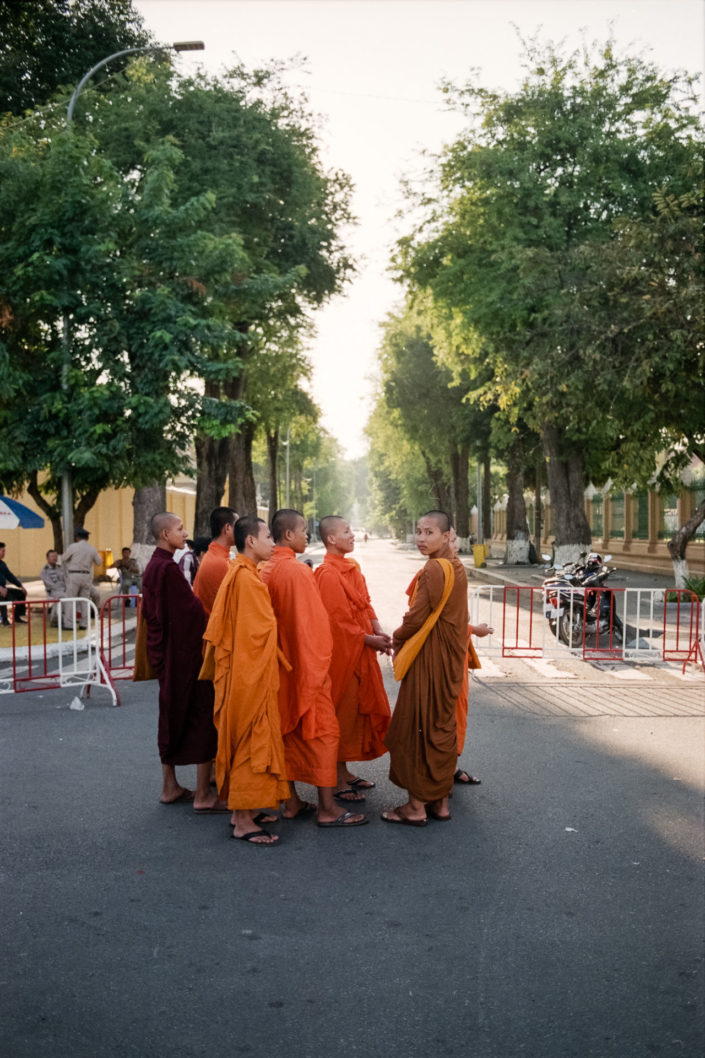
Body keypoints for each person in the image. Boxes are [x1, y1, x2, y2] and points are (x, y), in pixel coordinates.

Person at [259, 509, 367, 828]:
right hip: (304, 668)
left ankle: (292, 803)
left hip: (278, 668)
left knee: (286, 734)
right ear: (288, 536)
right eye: (304, 530)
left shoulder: (266, 569)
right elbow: (313, 628)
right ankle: (327, 808)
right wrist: (319, 671)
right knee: (324, 734)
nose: (309, 535)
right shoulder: (296, 571)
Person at [201, 515, 290, 846]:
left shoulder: (241, 572)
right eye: (268, 536)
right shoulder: (246, 580)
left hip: (246, 672)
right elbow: (259, 633)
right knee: (251, 740)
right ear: (250, 541)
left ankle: (248, 809)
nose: (273, 542)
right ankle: (241, 819)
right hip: (248, 678)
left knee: (252, 739)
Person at [382, 510, 469, 826]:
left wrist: (396, 636)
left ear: (447, 536)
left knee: (417, 727)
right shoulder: (456, 567)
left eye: (429, 532)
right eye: (418, 531)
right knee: (442, 727)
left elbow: (416, 617)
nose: (421, 538)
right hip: (449, 661)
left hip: (429, 659)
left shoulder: (433, 569)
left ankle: (416, 807)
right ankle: (440, 802)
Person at [141, 512, 225, 812]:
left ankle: (170, 786)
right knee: (202, 716)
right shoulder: (166, 569)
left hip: (167, 655)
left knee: (170, 718)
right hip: (184, 657)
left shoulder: (155, 566)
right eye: (179, 529)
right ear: (165, 534)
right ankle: (204, 794)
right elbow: (190, 612)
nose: (185, 533)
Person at [314, 516, 392, 799]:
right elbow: (337, 624)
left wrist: (379, 632)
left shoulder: (352, 567)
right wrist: (371, 641)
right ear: (331, 539)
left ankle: (344, 770)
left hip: (360, 650)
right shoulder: (327, 574)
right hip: (343, 656)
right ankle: (334, 778)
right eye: (347, 531)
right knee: (340, 715)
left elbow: (366, 603)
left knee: (354, 715)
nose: (353, 535)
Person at [448, 528, 492, 786]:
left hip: (457, 653)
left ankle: (450, 767)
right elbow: (441, 623)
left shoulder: (456, 569)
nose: (456, 545)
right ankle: (439, 777)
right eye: (451, 540)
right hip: (443, 658)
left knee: (457, 713)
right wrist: (475, 630)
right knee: (445, 715)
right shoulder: (436, 573)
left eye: (455, 539)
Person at [193, 507, 238, 616]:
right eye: (238, 527)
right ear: (227, 528)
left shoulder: (217, 555)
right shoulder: (218, 562)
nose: (242, 531)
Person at [60, 528, 101, 629]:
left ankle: (69, 624)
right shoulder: (92, 548)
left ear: (77, 537)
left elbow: (64, 558)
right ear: (87, 538)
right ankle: (84, 623)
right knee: (85, 600)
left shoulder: (73, 546)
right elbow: (99, 562)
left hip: (74, 575)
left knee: (71, 599)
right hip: (86, 576)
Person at [40, 549, 69, 627]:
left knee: (71, 595)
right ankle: (57, 619)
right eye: (52, 556)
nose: (54, 558)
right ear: (47, 558)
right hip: (53, 591)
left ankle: (64, 619)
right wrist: (62, 589)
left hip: (63, 590)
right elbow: (49, 584)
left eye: (56, 556)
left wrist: (66, 588)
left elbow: (66, 579)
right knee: (64, 597)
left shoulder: (60, 568)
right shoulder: (44, 570)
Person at [0, 542, 27, 625]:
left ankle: (17, 616)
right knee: (1, 595)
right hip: (0, 590)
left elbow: (10, 576)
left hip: (3, 588)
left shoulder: (2, 564)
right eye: (2, 551)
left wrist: (20, 585)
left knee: (21, 593)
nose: (4, 553)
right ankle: (4, 620)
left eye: (4, 551)